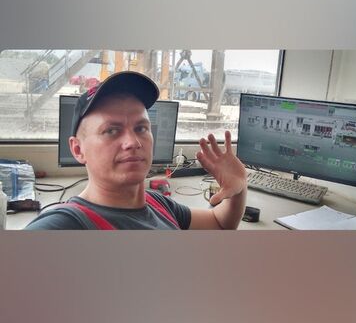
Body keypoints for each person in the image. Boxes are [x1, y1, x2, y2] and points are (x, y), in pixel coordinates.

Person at [25, 71, 247, 230]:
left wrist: (238, 187)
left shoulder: (158, 204)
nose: (133, 142)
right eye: (111, 131)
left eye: (141, 128)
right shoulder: (66, 225)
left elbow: (219, 223)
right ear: (77, 149)